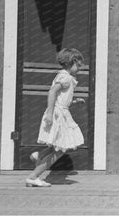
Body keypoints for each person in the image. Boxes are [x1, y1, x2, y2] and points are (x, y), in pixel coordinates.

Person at [25, 48, 86, 187]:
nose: (80, 68)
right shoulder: (64, 77)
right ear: (73, 61)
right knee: (60, 150)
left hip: (61, 112)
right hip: (58, 115)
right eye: (79, 65)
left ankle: (39, 156)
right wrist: (50, 113)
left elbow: (61, 98)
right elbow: (52, 93)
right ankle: (33, 177)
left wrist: (74, 101)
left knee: (56, 147)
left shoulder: (66, 77)